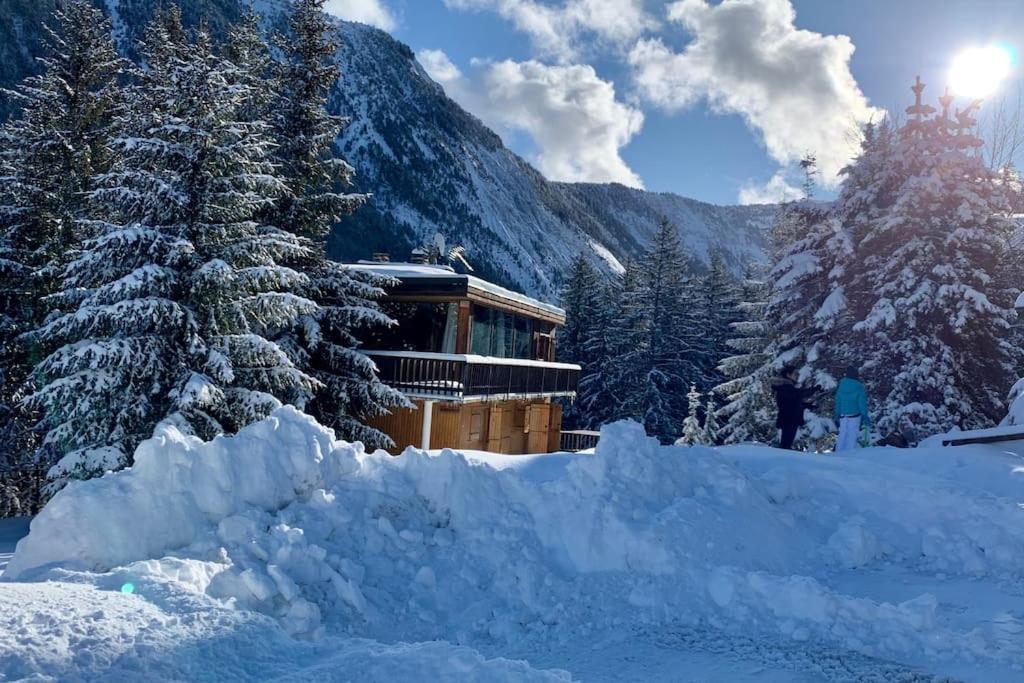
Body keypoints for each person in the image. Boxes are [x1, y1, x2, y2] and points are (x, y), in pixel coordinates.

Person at [834, 365, 870, 452]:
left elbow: (838, 402)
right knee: (852, 436)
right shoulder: (859, 387)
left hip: (843, 415)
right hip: (855, 415)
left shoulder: (841, 386)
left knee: (842, 434)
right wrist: (865, 416)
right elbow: (861, 403)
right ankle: (848, 455)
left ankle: (838, 454)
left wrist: (836, 414)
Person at [771, 366, 806, 450]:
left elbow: (794, 401)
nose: (798, 375)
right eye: (795, 374)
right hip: (789, 418)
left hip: (790, 418)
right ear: (788, 375)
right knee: (786, 444)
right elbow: (792, 400)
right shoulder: (786, 387)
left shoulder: (787, 387)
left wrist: (807, 405)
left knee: (787, 443)